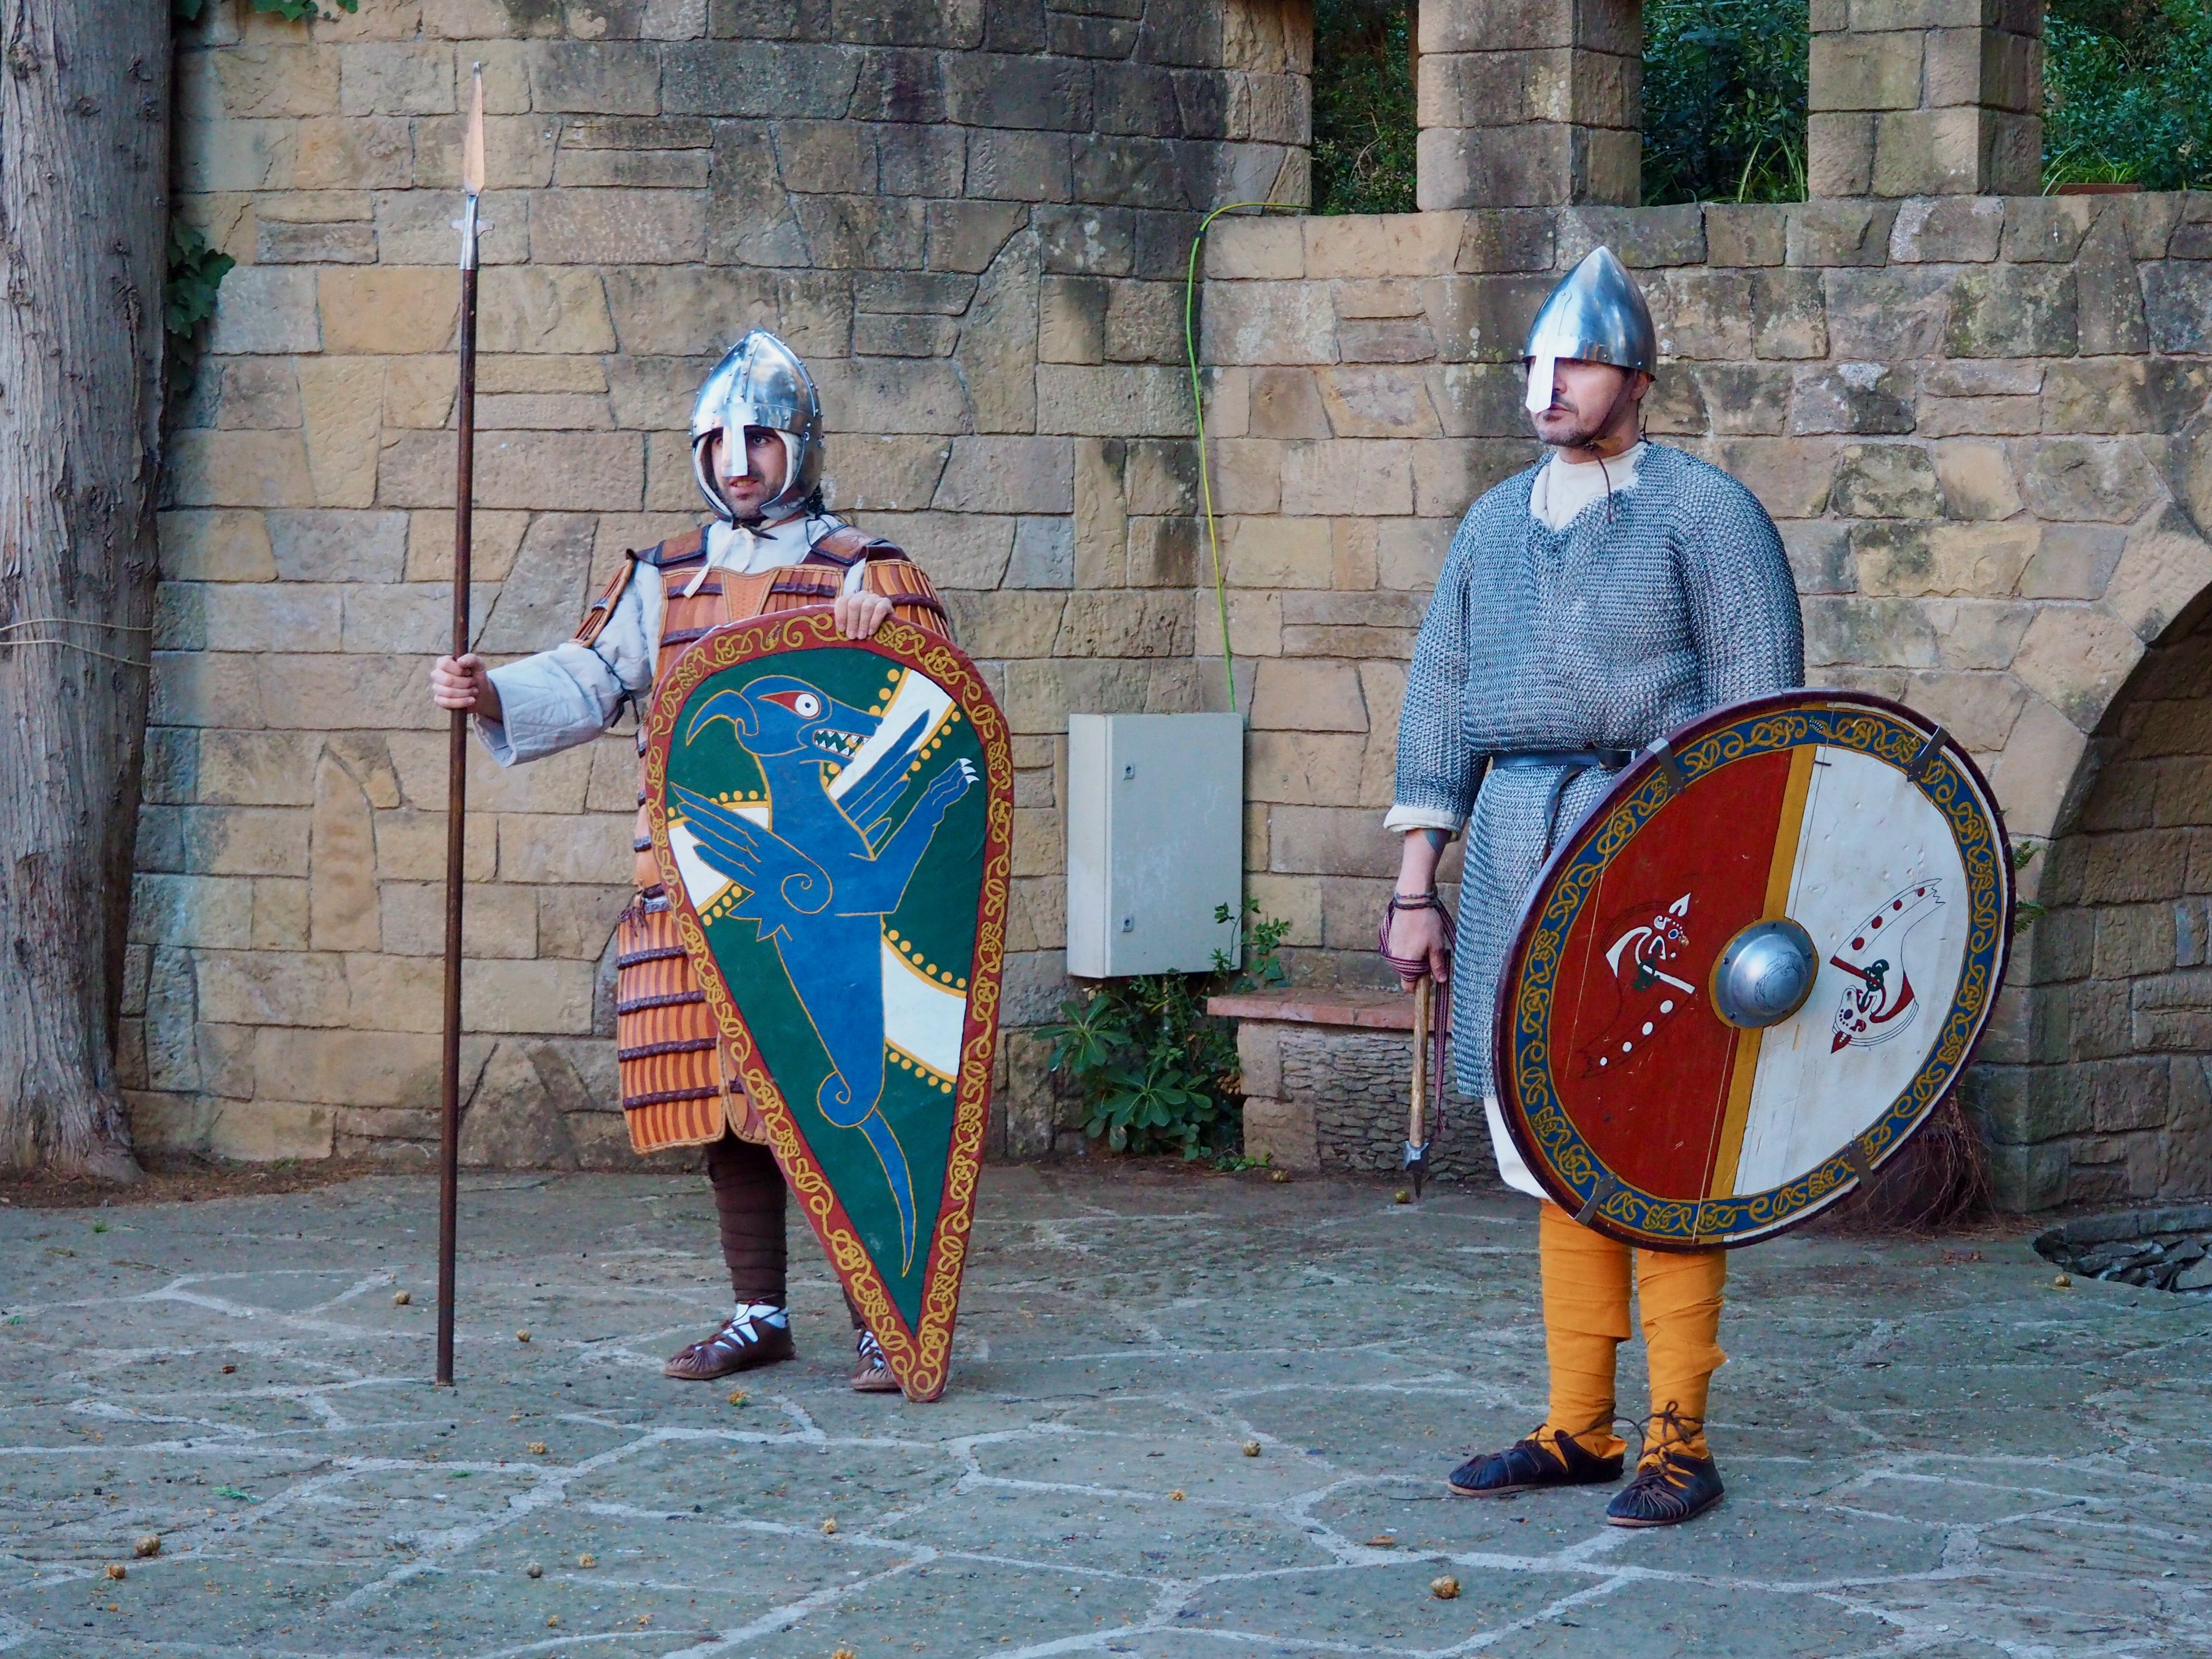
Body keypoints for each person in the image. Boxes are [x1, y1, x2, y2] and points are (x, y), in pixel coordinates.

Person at [431, 329, 948, 1394]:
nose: (738, 460)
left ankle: (877, 1319)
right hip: (688, 884)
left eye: (759, 437)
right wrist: (490, 693)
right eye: (718, 440)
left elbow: (933, 710)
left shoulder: (866, 570)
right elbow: (591, 679)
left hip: (825, 901)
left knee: (823, 1094)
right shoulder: (665, 574)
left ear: (798, 444)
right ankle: (759, 1313)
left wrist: (879, 635)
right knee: (724, 1102)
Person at [1383, 248, 1804, 1527]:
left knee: (1665, 1137)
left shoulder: (1706, 515)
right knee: (1548, 1140)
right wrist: (1418, 886)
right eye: (1537, 362)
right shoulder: (1492, 526)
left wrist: (1736, 883)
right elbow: (1441, 706)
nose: (1547, 383)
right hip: (1520, 837)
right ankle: (1580, 1426)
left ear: (1635, 375)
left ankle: (1682, 1433)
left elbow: (1763, 724)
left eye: (1574, 361)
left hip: (1660, 845)